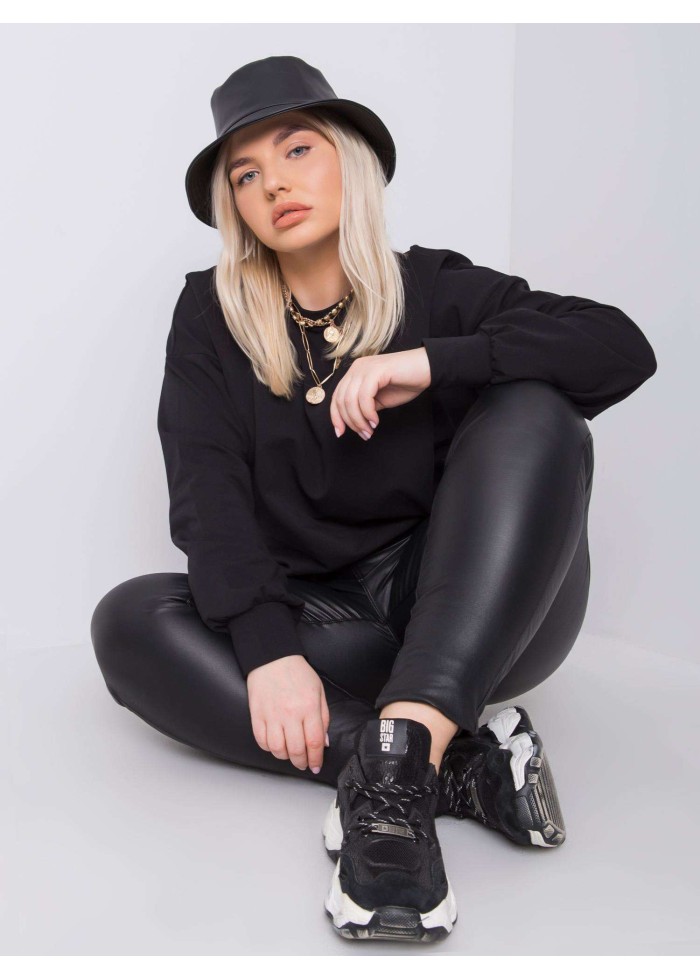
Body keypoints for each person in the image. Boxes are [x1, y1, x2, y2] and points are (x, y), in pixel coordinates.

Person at [90, 56, 658, 943]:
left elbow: (620, 346)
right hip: (333, 633)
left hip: (476, 614)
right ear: (234, 206)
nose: (275, 184)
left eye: (297, 151)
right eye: (246, 174)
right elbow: (205, 492)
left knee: (538, 408)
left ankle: (410, 740)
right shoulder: (209, 316)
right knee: (128, 621)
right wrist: (269, 648)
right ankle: (432, 765)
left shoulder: (433, 288)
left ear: (348, 161)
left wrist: (435, 362)